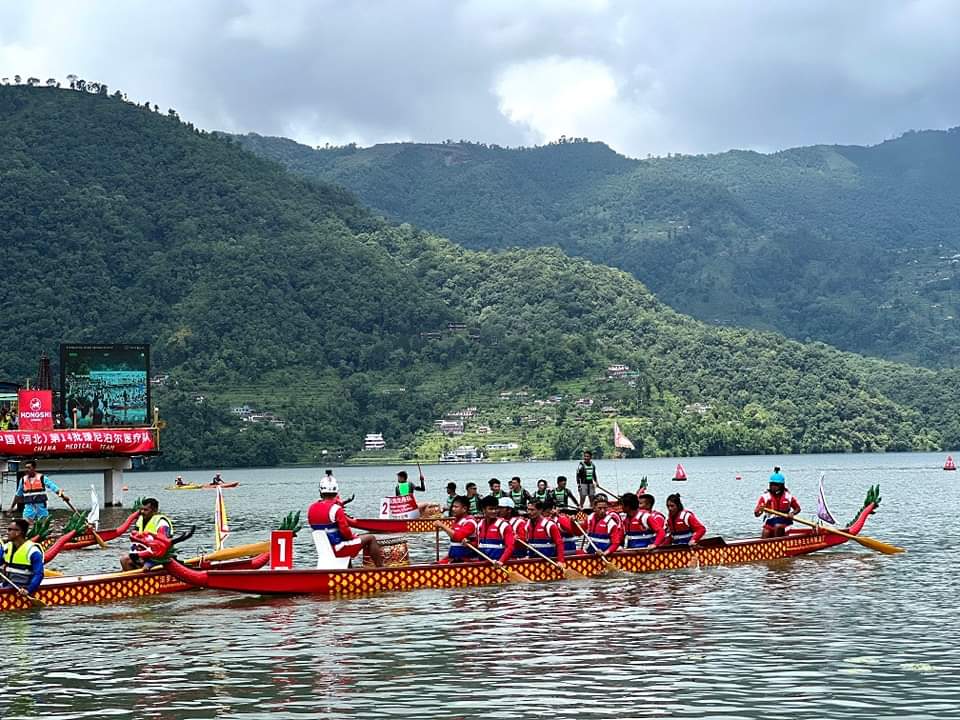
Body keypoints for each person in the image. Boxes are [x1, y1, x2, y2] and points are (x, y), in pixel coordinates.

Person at [309, 474, 384, 566]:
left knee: (348, 541)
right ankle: (382, 570)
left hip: (324, 549)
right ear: (336, 492)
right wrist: (353, 536)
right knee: (370, 538)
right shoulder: (336, 509)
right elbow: (346, 533)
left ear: (320, 492)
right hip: (338, 549)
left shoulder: (311, 508)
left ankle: (349, 571)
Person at [121, 498, 173, 570]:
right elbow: (135, 541)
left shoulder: (162, 523)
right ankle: (133, 576)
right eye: (141, 509)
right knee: (124, 559)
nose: (142, 512)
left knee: (126, 559)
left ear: (155, 510)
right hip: (145, 554)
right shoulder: (140, 520)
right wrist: (134, 553)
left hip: (160, 557)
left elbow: (163, 544)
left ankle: (137, 576)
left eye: (146, 510)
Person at [1, 518, 44, 596]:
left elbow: (39, 574)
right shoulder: (6, 547)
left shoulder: (33, 551)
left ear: (18, 532)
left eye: (10, 530)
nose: (7, 532)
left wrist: (28, 590)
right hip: (6, 585)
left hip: (22, 589)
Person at [754, 472, 801, 538]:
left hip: (785, 521)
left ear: (781, 486)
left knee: (777, 527)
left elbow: (798, 509)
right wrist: (759, 511)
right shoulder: (765, 497)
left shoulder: (788, 496)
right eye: (771, 485)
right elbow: (756, 514)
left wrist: (792, 513)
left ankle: (777, 544)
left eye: (776, 485)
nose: (773, 487)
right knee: (766, 532)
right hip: (770, 521)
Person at [474, 496, 516, 563]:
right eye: (491, 509)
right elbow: (477, 544)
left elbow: (510, 547)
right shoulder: (480, 525)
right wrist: (468, 542)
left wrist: (501, 561)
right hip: (482, 565)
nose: (494, 511)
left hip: (497, 564)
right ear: (483, 510)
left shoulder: (504, 525)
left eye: (496, 509)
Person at [436, 496, 478, 563]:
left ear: (464, 509)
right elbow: (454, 545)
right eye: (453, 506)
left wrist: (442, 526)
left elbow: (457, 537)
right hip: (455, 559)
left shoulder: (469, 522)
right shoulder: (457, 521)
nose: (453, 509)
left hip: (467, 561)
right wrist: (441, 561)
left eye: (456, 507)